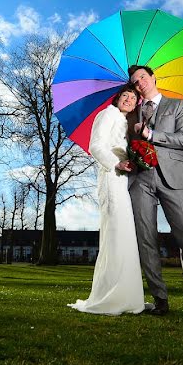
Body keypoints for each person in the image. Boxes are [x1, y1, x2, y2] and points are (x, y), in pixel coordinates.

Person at [128, 64, 183, 315]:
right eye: (135, 81)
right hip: (140, 179)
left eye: (143, 77)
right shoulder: (131, 110)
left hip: (173, 177)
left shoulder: (177, 105)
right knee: (146, 239)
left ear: (153, 78)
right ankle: (159, 299)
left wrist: (151, 133)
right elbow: (123, 140)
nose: (140, 83)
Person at [68, 86, 145, 315]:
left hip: (124, 179)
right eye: (125, 96)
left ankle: (128, 296)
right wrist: (116, 163)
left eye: (133, 98)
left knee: (125, 234)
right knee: (114, 232)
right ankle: (109, 295)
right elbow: (95, 146)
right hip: (111, 177)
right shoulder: (107, 114)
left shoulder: (126, 122)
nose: (129, 100)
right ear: (117, 98)